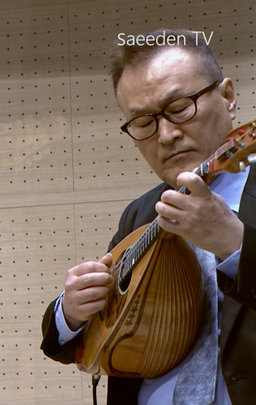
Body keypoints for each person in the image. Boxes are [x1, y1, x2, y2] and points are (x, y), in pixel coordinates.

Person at [40, 28, 256, 405]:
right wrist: (71, 312)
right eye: (143, 123)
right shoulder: (140, 214)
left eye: (180, 108)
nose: (167, 135)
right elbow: (85, 338)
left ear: (227, 98)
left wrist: (235, 245)